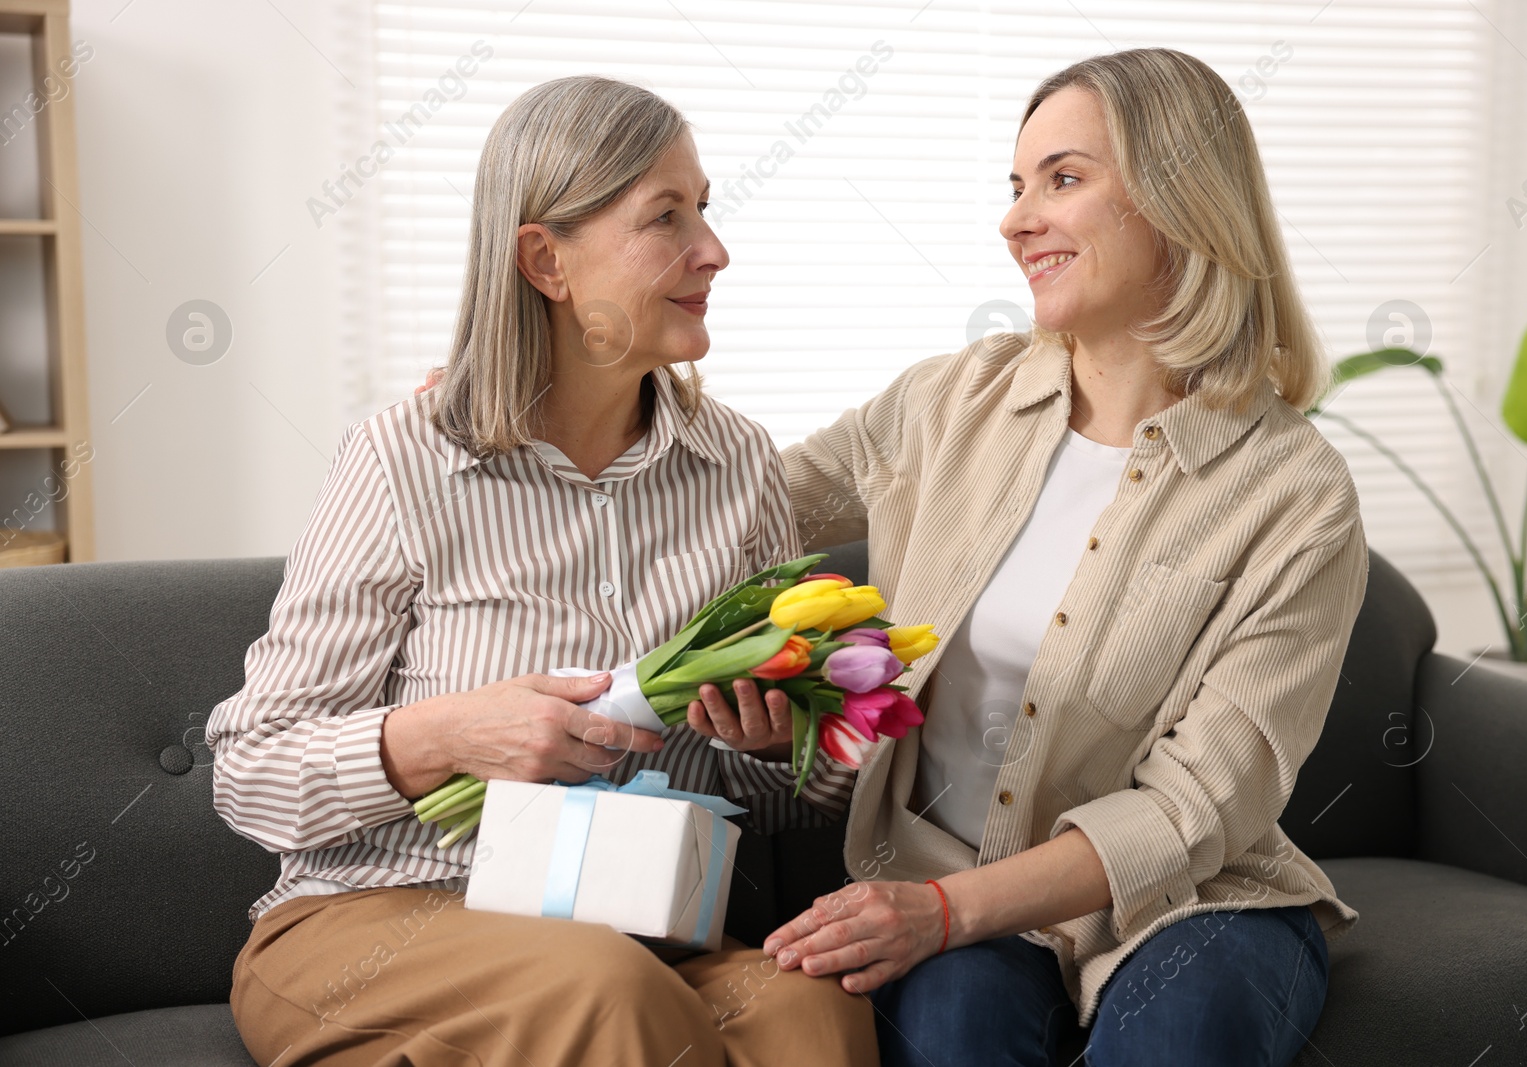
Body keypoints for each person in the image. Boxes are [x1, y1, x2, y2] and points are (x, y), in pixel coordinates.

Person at [208, 76, 876, 1067]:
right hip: (377, 920)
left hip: (639, 926)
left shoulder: (735, 464)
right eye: (666, 217)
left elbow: (780, 797)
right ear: (543, 259)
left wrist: (771, 746)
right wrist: (446, 732)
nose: (713, 249)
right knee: (600, 989)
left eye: (705, 207)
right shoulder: (404, 457)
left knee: (806, 1012)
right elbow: (250, 770)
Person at [760, 47, 1367, 1067]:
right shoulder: (948, 404)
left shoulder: (1296, 494)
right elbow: (735, 502)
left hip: (1194, 905)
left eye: (1064, 179)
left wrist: (943, 910)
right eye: (1016, 185)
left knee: (1178, 1032)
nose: (1014, 220)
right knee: (957, 1027)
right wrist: (551, 401)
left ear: (1182, 199)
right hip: (943, 880)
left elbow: (1193, 808)